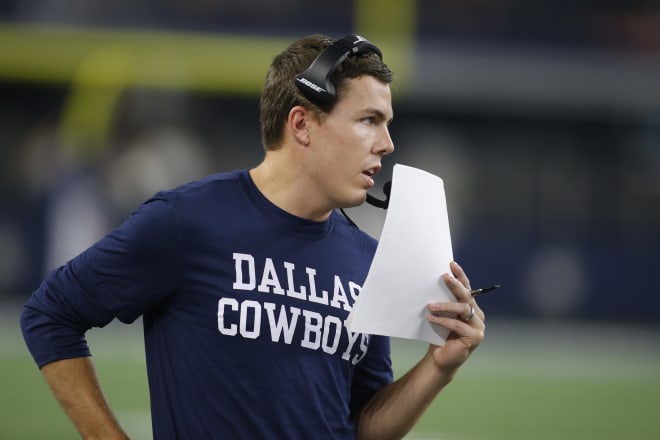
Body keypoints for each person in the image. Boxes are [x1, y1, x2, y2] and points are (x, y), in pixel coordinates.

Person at [20, 33, 485, 440]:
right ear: (302, 124)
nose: (386, 143)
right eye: (368, 120)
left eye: (386, 123)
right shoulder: (189, 221)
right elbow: (51, 314)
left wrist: (437, 367)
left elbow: (361, 424)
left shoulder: (366, 259)